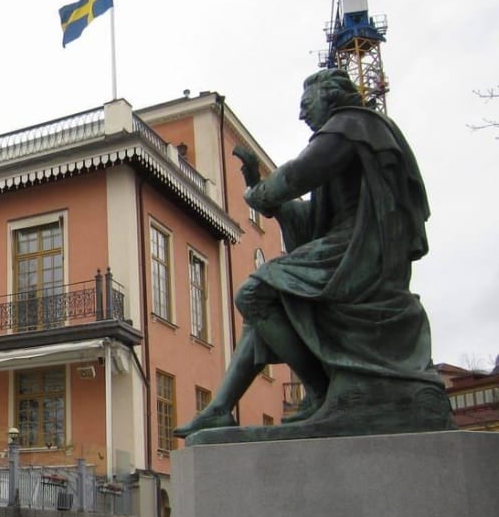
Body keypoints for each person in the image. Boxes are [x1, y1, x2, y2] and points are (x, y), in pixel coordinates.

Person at [175, 68, 451, 442]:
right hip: (345, 242)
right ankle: (221, 408)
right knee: (260, 312)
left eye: (307, 104)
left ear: (331, 96)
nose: (303, 114)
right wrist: (260, 187)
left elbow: (300, 174)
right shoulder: (349, 132)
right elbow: (312, 216)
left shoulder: (351, 125)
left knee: (254, 293)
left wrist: (261, 196)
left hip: (360, 249)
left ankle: (321, 391)